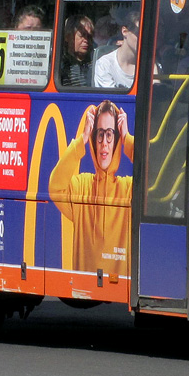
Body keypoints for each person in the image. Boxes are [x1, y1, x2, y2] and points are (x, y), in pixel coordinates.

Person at [48, 101, 133, 275]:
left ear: (116, 140)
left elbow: (155, 180)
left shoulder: (128, 189)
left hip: (120, 288)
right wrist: (82, 140)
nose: (104, 143)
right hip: (84, 289)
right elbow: (55, 187)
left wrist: (127, 138)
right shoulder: (81, 186)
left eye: (110, 134)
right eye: (99, 134)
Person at [94, 11, 139, 89]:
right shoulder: (104, 65)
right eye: (138, 33)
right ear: (125, 31)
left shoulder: (149, 65)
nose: (143, 38)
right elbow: (112, 99)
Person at [59, 14, 95, 86]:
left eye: (89, 36)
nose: (86, 40)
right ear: (67, 37)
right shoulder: (60, 64)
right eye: (82, 35)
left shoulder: (95, 63)